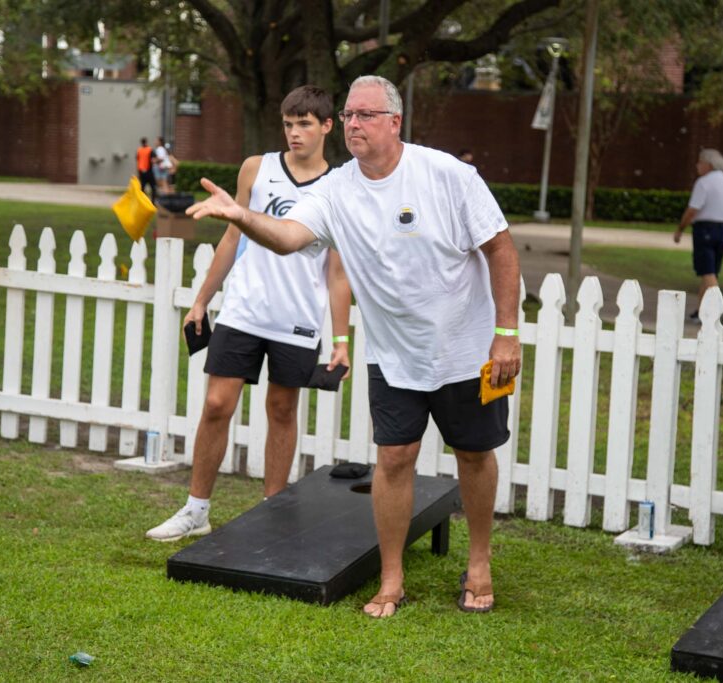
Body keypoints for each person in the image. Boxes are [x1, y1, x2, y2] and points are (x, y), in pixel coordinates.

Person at [186, 75, 522, 618]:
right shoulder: (337, 189)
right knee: (393, 458)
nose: (352, 125)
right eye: (346, 116)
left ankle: (479, 563)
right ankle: (392, 579)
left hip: (465, 348)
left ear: (395, 121)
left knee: (474, 453)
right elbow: (291, 236)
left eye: (364, 115)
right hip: (393, 353)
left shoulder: (447, 175)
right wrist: (242, 216)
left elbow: (500, 248)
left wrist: (506, 332)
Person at [146, 85, 352, 542]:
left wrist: (341, 340)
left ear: (326, 126)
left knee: (282, 409)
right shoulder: (256, 169)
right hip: (243, 310)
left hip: (296, 319)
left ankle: (271, 511)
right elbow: (231, 239)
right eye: (288, 123)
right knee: (217, 404)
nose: (294, 133)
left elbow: (338, 274)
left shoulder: (340, 189)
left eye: (304, 124)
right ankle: (196, 510)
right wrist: (201, 300)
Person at [673, 148, 723, 319]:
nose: (697, 166)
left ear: (708, 165)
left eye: (700, 162)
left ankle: (717, 309)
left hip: (705, 228)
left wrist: (680, 229)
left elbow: (693, 210)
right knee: (711, 271)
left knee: (707, 272)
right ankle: (701, 310)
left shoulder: (703, 183)